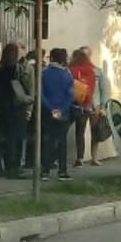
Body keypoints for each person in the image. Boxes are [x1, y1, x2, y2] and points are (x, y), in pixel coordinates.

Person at [0, 43, 31, 179]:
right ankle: (13, 168)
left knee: (1, 137)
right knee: (15, 139)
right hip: (15, 108)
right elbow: (26, 87)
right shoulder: (16, 69)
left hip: (1, 108)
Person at [41, 48, 74, 181]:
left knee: (47, 140)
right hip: (63, 112)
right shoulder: (67, 75)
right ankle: (62, 171)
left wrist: (51, 109)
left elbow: (41, 94)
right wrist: (61, 110)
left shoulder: (44, 74)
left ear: (52, 58)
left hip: (47, 111)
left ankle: (45, 171)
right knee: (62, 141)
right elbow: (71, 96)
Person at [80, 46, 112, 166]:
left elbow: (105, 90)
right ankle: (80, 158)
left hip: (95, 107)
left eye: (86, 55)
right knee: (80, 132)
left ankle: (94, 157)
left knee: (96, 132)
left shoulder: (98, 72)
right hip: (81, 106)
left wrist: (103, 107)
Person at [69, 49, 97, 167]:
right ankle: (80, 158)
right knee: (80, 133)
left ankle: (54, 157)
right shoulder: (91, 71)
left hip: (72, 104)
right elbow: (92, 88)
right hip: (86, 106)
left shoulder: (71, 70)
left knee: (62, 130)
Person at [23, 49, 46, 169]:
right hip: (37, 102)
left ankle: (29, 160)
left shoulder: (27, 66)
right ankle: (35, 160)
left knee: (32, 133)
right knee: (37, 132)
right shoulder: (38, 68)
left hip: (32, 101)